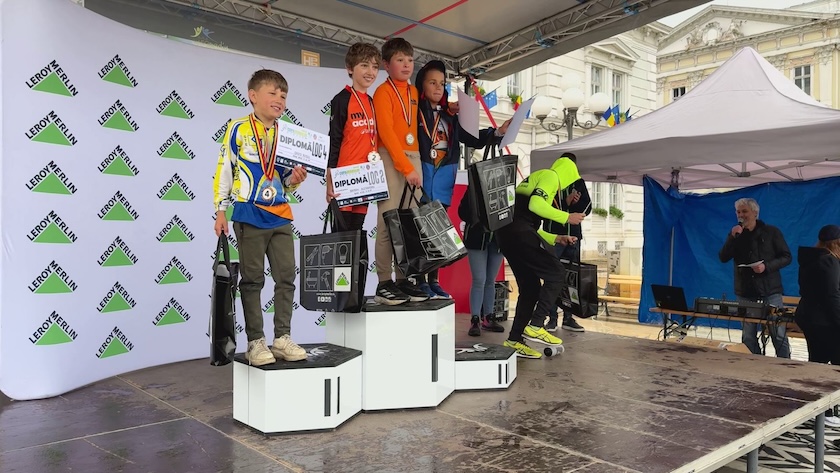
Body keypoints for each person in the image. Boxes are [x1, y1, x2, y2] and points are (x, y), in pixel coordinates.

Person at [213, 69, 309, 366]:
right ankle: (256, 341)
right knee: (253, 280)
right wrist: (220, 209)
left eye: (283, 95)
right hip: (249, 213)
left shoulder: (286, 133)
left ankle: (282, 338)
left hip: (280, 214)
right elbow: (225, 168)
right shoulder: (238, 128)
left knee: (286, 277)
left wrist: (295, 179)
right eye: (273, 93)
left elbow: (284, 179)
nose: (279, 99)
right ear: (253, 96)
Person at [413, 59, 511, 301]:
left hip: (443, 180)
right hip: (421, 177)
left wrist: (498, 132)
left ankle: (433, 280)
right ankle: (418, 280)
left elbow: (473, 138)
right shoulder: (415, 112)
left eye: (442, 83)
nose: (438, 87)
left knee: (438, 233)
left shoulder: (451, 118)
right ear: (421, 85)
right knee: (419, 233)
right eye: (432, 82)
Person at [497, 157, 586, 359]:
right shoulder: (550, 176)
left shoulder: (536, 178)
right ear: (569, 173)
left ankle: (514, 340)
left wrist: (556, 238)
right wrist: (567, 217)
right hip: (519, 234)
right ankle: (537, 325)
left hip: (507, 236)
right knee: (557, 273)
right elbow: (535, 205)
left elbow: (528, 224)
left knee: (530, 288)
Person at [371, 37, 429, 305]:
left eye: (410, 60)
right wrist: (405, 168)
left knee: (408, 223)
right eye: (400, 60)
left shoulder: (414, 92)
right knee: (387, 221)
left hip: (413, 157)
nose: (406, 65)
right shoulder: (383, 92)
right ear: (387, 64)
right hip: (390, 157)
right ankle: (384, 282)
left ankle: (404, 278)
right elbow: (386, 132)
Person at [718, 197, 792, 358]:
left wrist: (766, 266)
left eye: (744, 211)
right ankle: (754, 364)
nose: (741, 215)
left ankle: (786, 364)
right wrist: (732, 238)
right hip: (745, 292)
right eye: (738, 212)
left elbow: (786, 257)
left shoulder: (771, 232)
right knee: (748, 336)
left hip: (770, 290)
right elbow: (723, 257)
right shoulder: (736, 234)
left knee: (778, 334)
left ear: (755, 213)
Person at [326, 42, 382, 232]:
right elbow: (334, 140)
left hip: (366, 176)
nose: (370, 72)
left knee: (357, 229)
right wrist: (330, 178)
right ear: (350, 68)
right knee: (342, 232)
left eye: (375, 67)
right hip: (345, 177)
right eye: (364, 65)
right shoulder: (341, 99)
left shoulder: (372, 102)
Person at [796, 224, 840, 426]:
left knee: (817, 362)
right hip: (825, 321)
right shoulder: (829, 262)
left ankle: (818, 408)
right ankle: (826, 410)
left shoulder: (810, 258)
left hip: (810, 317)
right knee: (830, 366)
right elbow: (832, 296)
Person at [544, 152, 591, 333]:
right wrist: (565, 202)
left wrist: (573, 205)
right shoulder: (552, 180)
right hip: (555, 236)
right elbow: (546, 207)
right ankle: (551, 318)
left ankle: (569, 317)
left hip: (574, 237)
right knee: (552, 276)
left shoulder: (578, 182)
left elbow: (587, 206)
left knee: (571, 278)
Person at [458, 187, 506, 337]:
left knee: (490, 280)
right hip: (476, 238)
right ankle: (475, 319)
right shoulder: (474, 188)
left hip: (498, 239)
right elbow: (462, 212)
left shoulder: (504, 187)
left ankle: (488, 317)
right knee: (479, 279)